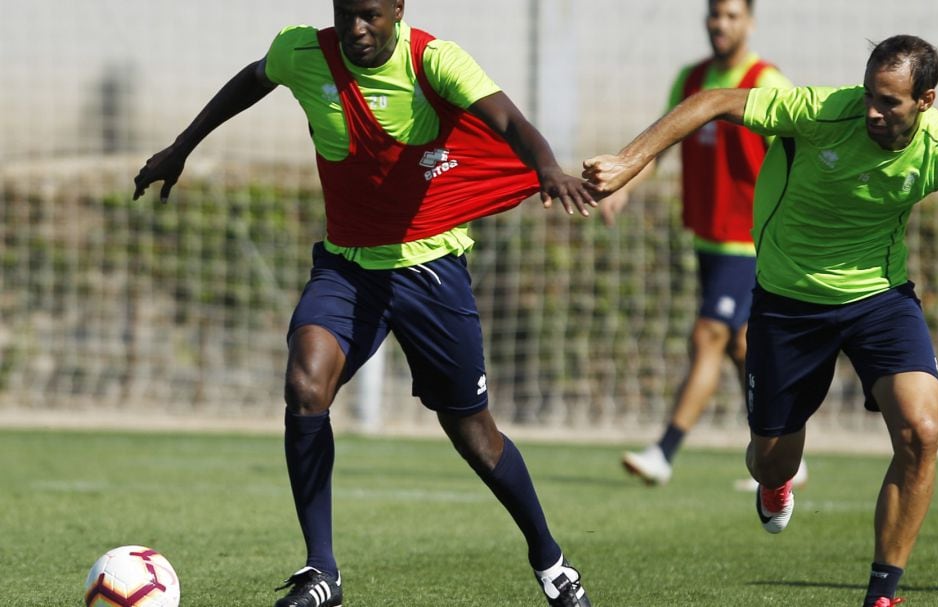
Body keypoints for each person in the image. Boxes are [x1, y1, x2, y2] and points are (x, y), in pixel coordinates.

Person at [133, 1, 595, 606]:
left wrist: (548, 168)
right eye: (346, 13)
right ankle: (321, 570)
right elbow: (251, 79)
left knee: (476, 437)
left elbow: (508, 121)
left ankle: (550, 559)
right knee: (305, 386)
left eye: (371, 15)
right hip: (347, 267)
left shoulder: (435, 61)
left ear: (398, 9)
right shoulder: (303, 53)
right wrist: (181, 146)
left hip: (430, 271)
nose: (357, 28)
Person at [584, 34, 938, 606]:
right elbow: (715, 100)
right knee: (773, 459)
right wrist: (631, 159)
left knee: (921, 434)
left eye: (890, 101)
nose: (873, 109)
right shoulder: (821, 112)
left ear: (925, 100)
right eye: (870, 93)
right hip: (788, 302)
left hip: (880, 299)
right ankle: (773, 485)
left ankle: (883, 595)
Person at [604, 0, 808, 489]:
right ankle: (786, 459)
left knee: (709, 335)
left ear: (750, 22)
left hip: (753, 242)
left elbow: (802, 154)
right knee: (741, 347)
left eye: (732, 15)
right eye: (714, 14)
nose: (721, 23)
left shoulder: (767, 82)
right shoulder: (691, 80)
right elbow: (660, 142)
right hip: (710, 238)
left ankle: (664, 452)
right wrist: (624, 185)